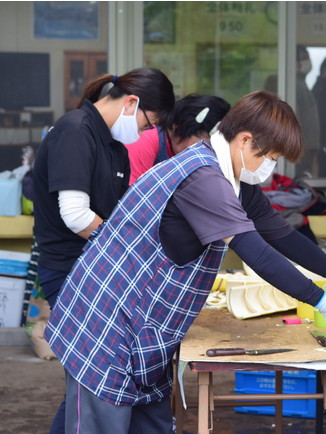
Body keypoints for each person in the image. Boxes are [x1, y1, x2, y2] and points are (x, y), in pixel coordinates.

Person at [44, 91, 326, 433]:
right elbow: (257, 252)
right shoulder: (203, 177)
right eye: (272, 157)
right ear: (246, 141)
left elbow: (281, 234)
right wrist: (325, 303)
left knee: (154, 425)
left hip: (142, 332)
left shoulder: (235, 179)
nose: (270, 168)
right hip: (107, 327)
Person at [32, 68, 175, 434]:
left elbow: (118, 212)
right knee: (91, 378)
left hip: (99, 272)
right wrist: (125, 251)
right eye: (148, 125)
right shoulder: (75, 131)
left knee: (92, 382)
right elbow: (75, 214)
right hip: (70, 272)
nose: (144, 134)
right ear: (132, 103)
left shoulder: (112, 145)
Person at [126, 93, 230, 184]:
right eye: (203, 145)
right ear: (182, 126)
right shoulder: (148, 137)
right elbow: (130, 197)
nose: (203, 153)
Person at [294, 45, 321, 177]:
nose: (307, 62)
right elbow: (294, 118)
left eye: (307, 58)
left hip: (308, 147)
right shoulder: (293, 85)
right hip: (301, 148)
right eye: (303, 59)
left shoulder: (303, 83)